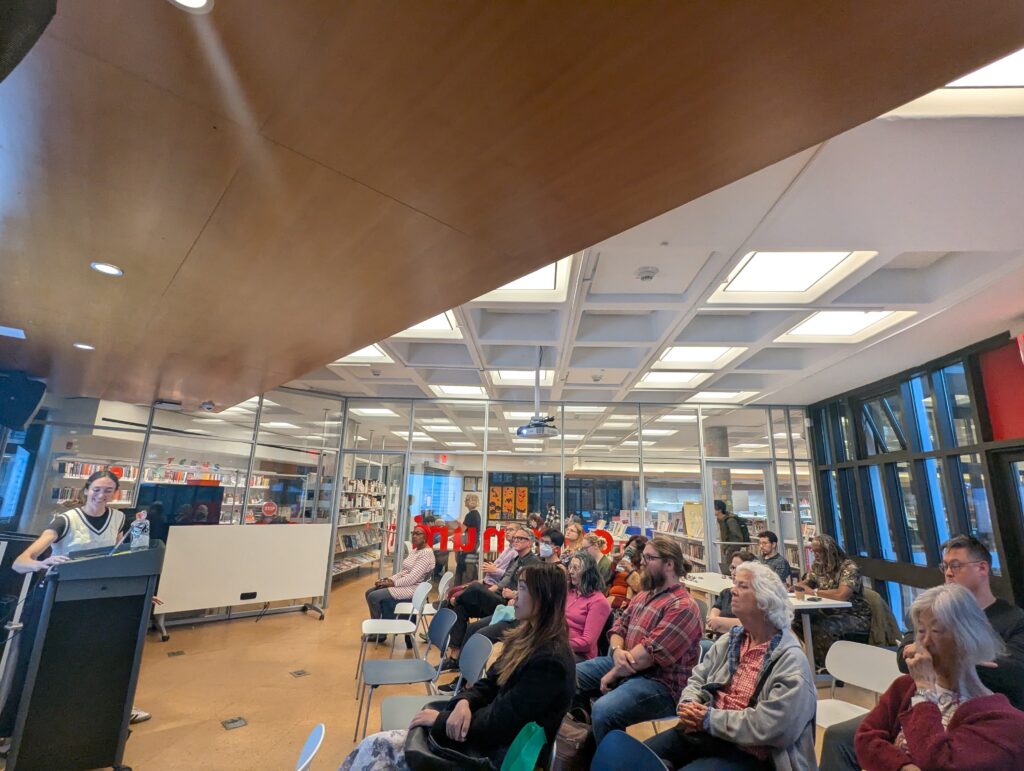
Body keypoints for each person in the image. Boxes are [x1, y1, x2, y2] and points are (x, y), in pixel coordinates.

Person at [340, 563, 575, 771]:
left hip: (497, 755)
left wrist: (441, 720)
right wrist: (464, 701)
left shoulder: (550, 663)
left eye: (522, 589)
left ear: (543, 598)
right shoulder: (526, 638)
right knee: (376, 746)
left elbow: (500, 724)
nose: (513, 597)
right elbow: (491, 682)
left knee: (379, 749)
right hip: (483, 737)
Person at [821, 534, 1024, 770]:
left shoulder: (1013, 620)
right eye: (945, 566)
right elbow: (902, 656)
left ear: (982, 568)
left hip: (973, 708)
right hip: (927, 699)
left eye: (955, 566)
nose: (948, 572)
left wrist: (958, 661)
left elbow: (1015, 672)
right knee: (841, 737)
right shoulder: (931, 611)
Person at [638, 561, 817, 771]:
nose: (733, 590)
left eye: (743, 586)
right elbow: (698, 678)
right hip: (705, 731)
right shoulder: (730, 641)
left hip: (751, 751)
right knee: (636, 759)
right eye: (735, 584)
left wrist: (708, 719)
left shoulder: (790, 660)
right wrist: (689, 704)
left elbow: (776, 727)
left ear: (764, 601)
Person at [13, 470, 153, 725]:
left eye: (108, 490)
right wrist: (44, 563)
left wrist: (141, 588)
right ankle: (28, 723)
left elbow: (122, 559)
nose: (101, 495)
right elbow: (20, 562)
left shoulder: (119, 518)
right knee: (50, 660)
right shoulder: (65, 521)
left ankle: (113, 709)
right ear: (86, 490)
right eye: (97, 489)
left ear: (115, 493)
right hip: (60, 601)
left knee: (103, 656)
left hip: (98, 600)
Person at [854, 583, 1024, 771]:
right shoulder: (905, 687)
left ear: (966, 638)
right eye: (920, 631)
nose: (924, 642)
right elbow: (866, 737)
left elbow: (938, 763)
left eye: (935, 631)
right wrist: (903, 767)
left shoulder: (1002, 720)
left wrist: (925, 692)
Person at [575, 536, 702, 742]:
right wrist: (617, 651)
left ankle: (608, 760)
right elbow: (619, 627)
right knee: (567, 677)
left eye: (649, 558)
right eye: (643, 557)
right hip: (624, 663)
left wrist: (614, 672)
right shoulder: (644, 595)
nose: (641, 562)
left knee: (605, 710)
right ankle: (582, 741)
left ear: (669, 564)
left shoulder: (683, 606)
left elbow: (648, 655)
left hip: (659, 682)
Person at [441, 527, 538, 670]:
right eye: (515, 538)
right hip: (498, 595)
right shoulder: (517, 558)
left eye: (520, 538)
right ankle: (455, 658)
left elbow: (531, 590)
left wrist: (514, 594)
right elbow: (504, 579)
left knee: (474, 588)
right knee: (460, 609)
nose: (515, 540)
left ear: (529, 542)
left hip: (506, 603)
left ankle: (452, 601)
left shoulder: (532, 563)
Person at [791, 534, 870, 667]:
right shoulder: (818, 565)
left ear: (829, 551)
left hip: (853, 614)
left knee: (823, 626)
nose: (815, 555)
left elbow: (842, 594)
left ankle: (829, 668)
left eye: (818, 551)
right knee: (796, 620)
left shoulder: (848, 568)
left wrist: (815, 592)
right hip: (827, 610)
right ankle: (815, 661)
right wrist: (798, 586)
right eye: (813, 551)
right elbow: (807, 583)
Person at [364, 525, 434, 628]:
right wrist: (388, 579)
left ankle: (378, 630)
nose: (414, 536)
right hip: (406, 584)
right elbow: (404, 572)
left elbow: (412, 578)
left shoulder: (426, 554)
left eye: (418, 534)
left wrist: (392, 584)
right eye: (413, 533)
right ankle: (379, 626)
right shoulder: (415, 551)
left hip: (413, 589)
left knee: (373, 596)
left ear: (425, 537)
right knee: (369, 592)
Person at [566, 551, 611, 661]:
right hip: (562, 646)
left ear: (588, 572)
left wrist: (557, 644)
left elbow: (587, 643)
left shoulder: (599, 601)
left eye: (576, 568)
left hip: (581, 655)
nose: (571, 571)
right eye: (570, 567)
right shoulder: (569, 593)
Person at [705, 551, 756, 637]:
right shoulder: (725, 593)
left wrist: (720, 622)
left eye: (738, 568)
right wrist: (718, 622)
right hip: (721, 642)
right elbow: (712, 620)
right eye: (732, 567)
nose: (733, 572)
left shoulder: (753, 597)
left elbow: (750, 624)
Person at [607, 536, 645, 614]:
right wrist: (614, 563)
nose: (629, 549)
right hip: (610, 597)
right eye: (629, 546)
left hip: (625, 603)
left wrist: (630, 569)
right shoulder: (623, 561)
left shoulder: (642, 566)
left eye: (634, 547)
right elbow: (607, 580)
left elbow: (639, 587)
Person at [454, 493, 481, 585]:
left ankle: (464, 584)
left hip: (470, 543)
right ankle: (473, 583)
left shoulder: (470, 515)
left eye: (466, 500)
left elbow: (463, 529)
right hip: (474, 542)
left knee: (464, 564)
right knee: (471, 563)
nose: (464, 501)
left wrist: (457, 523)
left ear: (470, 501)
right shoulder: (476, 514)